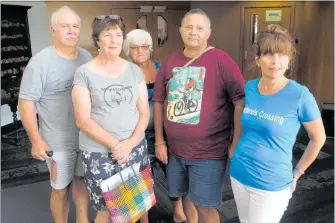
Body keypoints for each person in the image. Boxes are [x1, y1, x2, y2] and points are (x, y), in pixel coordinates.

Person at [152, 8, 245, 223]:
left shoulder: (221, 60)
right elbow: (158, 102)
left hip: (209, 153)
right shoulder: (169, 61)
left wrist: (235, 141)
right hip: (175, 151)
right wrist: (159, 141)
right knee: (186, 198)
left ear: (208, 32)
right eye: (189, 27)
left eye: (199, 28)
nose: (194, 32)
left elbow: (240, 100)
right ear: (181, 30)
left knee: (205, 207)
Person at [229, 24, 326, 223]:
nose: (276, 61)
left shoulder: (300, 95)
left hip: (271, 183)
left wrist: (298, 173)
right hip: (239, 173)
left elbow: (319, 138)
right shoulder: (250, 88)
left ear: (289, 60)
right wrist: (234, 146)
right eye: (268, 54)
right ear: (257, 59)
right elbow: (241, 120)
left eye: (282, 55)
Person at [72, 15, 151, 223]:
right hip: (100, 154)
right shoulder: (84, 73)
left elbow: (144, 112)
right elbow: (83, 120)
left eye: (118, 35)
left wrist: (130, 144)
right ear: (97, 40)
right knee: (107, 210)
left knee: (136, 202)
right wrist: (117, 145)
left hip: (134, 148)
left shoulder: (134, 71)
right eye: (108, 35)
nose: (114, 40)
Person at [18, 6, 92, 223]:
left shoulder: (86, 56)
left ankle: (82, 220)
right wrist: (36, 139)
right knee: (60, 189)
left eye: (75, 26)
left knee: (81, 180)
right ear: (53, 29)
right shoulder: (40, 63)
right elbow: (26, 103)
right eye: (65, 26)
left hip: (85, 137)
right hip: (57, 141)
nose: (71, 31)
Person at [123, 29, 187, 223]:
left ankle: (178, 211)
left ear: (150, 48)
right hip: (136, 134)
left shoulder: (162, 68)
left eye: (144, 46)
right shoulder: (123, 72)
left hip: (165, 133)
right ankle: (143, 218)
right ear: (127, 50)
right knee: (138, 178)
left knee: (175, 172)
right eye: (134, 47)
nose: (140, 50)